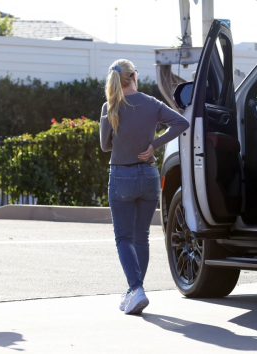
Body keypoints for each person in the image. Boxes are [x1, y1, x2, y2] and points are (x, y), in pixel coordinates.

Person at [100, 59, 189, 315]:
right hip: (149, 176)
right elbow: (182, 123)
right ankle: (135, 291)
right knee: (142, 237)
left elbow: (105, 146)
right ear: (134, 77)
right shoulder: (152, 103)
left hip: (121, 177)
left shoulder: (110, 106)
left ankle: (136, 289)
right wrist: (154, 145)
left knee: (123, 237)